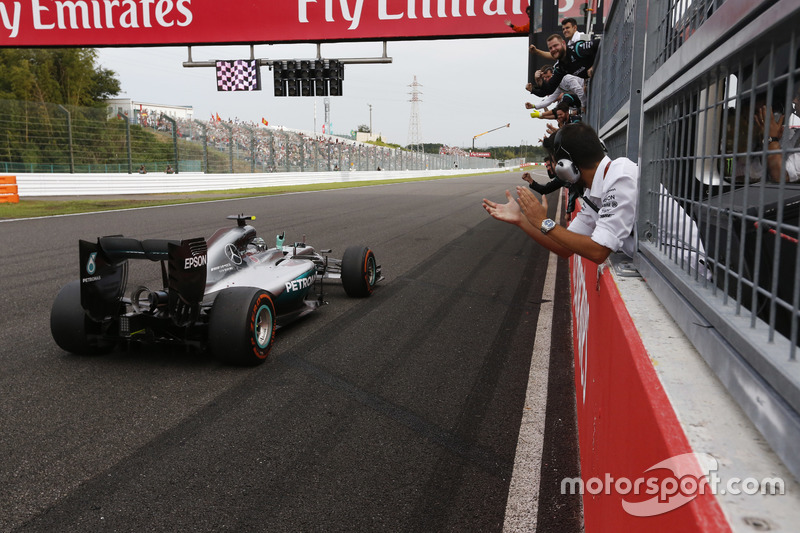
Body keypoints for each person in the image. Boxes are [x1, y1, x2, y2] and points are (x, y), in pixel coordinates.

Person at [482, 123, 638, 263]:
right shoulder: (593, 193)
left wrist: (543, 222)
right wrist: (521, 220)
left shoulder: (621, 176)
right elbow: (565, 247)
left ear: (566, 166)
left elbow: (598, 251)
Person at [529, 34, 600, 99]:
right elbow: (549, 90)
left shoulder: (577, 49)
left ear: (563, 43)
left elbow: (601, 42)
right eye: (550, 48)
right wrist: (539, 81)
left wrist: (594, 66)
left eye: (555, 45)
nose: (553, 49)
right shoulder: (560, 68)